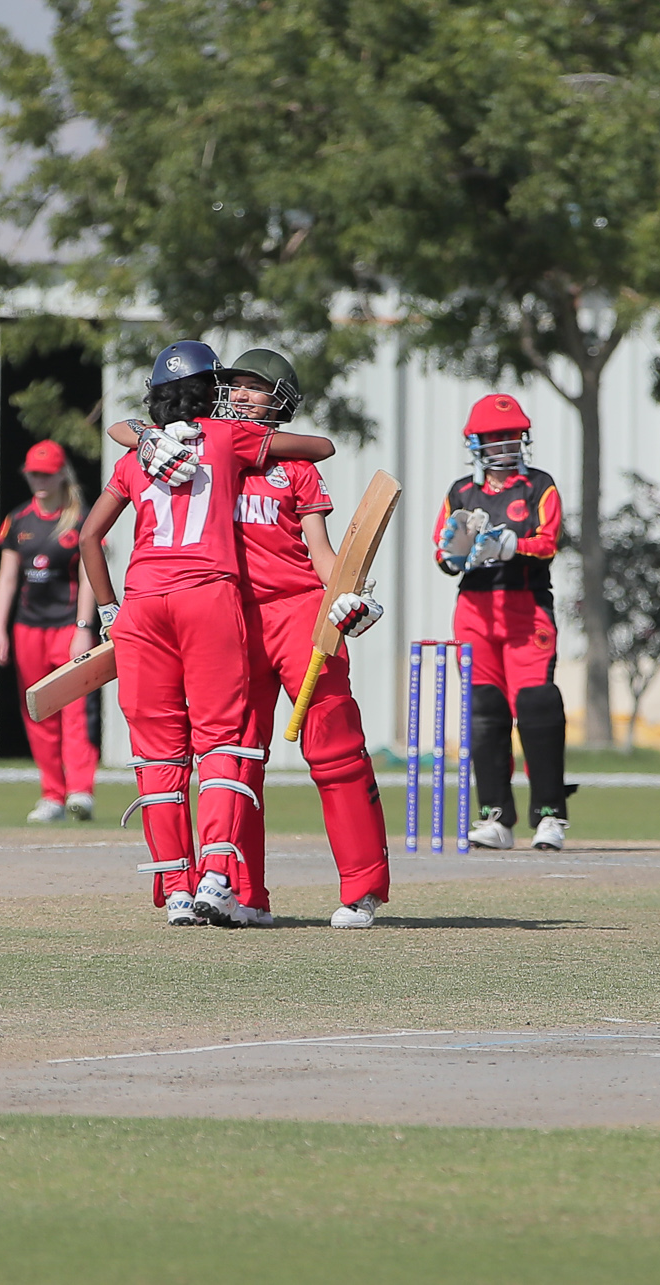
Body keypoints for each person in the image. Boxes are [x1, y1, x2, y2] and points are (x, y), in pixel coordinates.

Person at [77, 340, 336, 927]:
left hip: (141, 604)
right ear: (210, 388)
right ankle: (217, 879)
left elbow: (89, 538)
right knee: (223, 740)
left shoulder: (135, 455)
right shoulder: (226, 436)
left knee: (157, 754)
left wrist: (108, 609)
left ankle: (173, 887)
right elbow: (322, 446)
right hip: (208, 596)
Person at [217, 349, 390, 928]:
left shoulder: (296, 468)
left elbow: (319, 551)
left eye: (254, 387)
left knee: (335, 746)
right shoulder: (205, 454)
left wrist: (349, 592)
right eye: (235, 386)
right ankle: (242, 893)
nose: (239, 395)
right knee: (234, 754)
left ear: (281, 398)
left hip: (297, 612)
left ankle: (363, 890)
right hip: (227, 617)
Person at [433, 392, 573, 850]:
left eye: (511, 435)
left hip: (526, 607)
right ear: (475, 442)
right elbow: (443, 553)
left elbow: (550, 541)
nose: (504, 445)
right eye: (493, 437)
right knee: (485, 712)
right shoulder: (461, 492)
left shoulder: (538, 486)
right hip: (474, 611)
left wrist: (510, 546)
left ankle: (550, 815)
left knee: (536, 708)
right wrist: (454, 553)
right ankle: (495, 816)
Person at [0, 439, 98, 823]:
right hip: (28, 628)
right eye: (34, 473)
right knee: (38, 709)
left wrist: (85, 627)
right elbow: (7, 579)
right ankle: (51, 794)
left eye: (47, 473)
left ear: (60, 474)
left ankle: (80, 791)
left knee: (75, 708)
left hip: (68, 625)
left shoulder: (81, 519)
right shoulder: (18, 520)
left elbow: (88, 578)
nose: (39, 480)